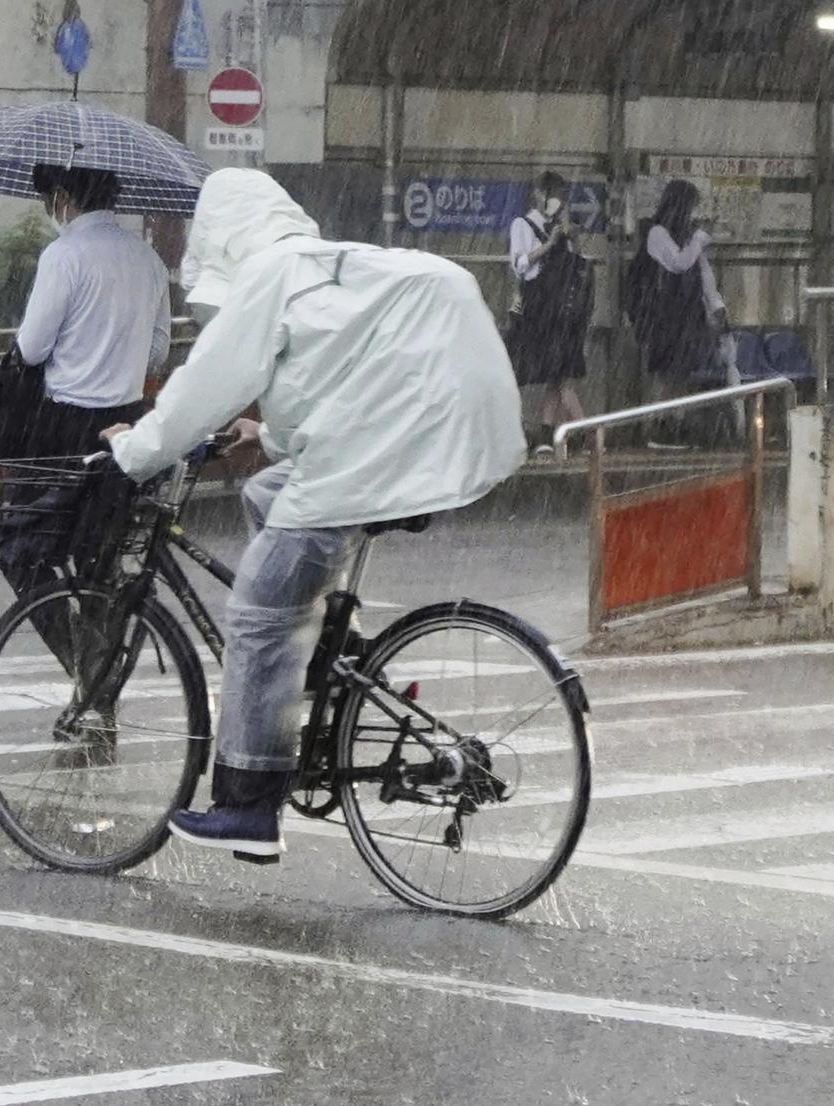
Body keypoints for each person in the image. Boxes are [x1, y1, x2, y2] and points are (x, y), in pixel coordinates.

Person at [103, 168, 522, 861]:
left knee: (259, 612)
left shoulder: (269, 273)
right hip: (431, 418)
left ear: (222, 238)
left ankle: (250, 804)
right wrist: (266, 437)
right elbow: (346, 377)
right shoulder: (321, 267)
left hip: (388, 443)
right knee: (266, 493)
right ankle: (336, 648)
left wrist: (136, 452)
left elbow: (203, 384)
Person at [0, 165, 171, 662]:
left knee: (22, 552)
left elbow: (30, 349)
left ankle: (80, 662)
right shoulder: (149, 260)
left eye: (48, 201)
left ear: (62, 197)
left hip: (62, 428)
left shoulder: (63, 256)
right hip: (128, 425)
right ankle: (101, 671)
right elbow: (157, 352)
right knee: (102, 559)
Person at [625, 179, 725, 445]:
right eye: (691, 206)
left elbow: (704, 273)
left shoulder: (687, 236)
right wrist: (700, 238)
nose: (694, 213)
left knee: (681, 375)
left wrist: (716, 306)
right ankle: (658, 426)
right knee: (667, 375)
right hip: (664, 319)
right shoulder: (657, 233)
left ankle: (675, 426)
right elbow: (680, 263)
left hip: (686, 318)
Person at [505, 171, 593, 454]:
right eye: (553, 194)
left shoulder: (559, 226)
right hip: (539, 311)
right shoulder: (523, 224)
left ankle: (546, 437)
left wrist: (572, 239)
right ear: (540, 194)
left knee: (559, 376)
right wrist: (549, 244)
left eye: (561, 196)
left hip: (563, 313)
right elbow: (519, 264)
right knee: (555, 375)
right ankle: (586, 437)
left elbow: (575, 266)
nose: (557, 201)